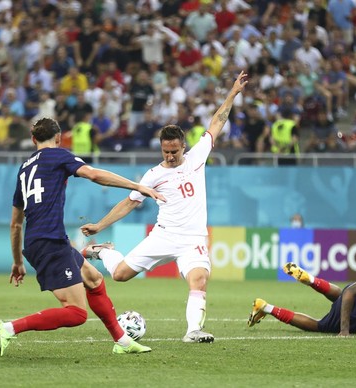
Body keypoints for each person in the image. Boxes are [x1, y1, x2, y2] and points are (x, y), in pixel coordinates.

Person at [79, 71, 249, 344]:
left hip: (193, 239)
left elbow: (217, 121)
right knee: (120, 275)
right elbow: (129, 203)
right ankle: (102, 251)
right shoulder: (153, 175)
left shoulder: (198, 156)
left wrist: (232, 93)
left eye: (174, 151)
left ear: (183, 146)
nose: (170, 157)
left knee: (200, 279)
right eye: (165, 152)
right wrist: (100, 226)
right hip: (164, 235)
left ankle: (193, 331)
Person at [0, 117, 165, 357]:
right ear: (59, 138)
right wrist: (138, 186)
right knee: (76, 313)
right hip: (49, 241)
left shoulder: (24, 169)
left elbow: (15, 224)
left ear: (33, 140)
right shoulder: (58, 155)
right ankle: (7, 328)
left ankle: (122, 341)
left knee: (93, 280)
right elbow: (92, 174)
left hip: (43, 240)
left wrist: (18, 261)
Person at [248, 239, 356, 337]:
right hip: (355, 310)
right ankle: (266, 307)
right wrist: (344, 330)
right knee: (320, 326)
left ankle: (311, 280)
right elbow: (351, 293)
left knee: (341, 294)